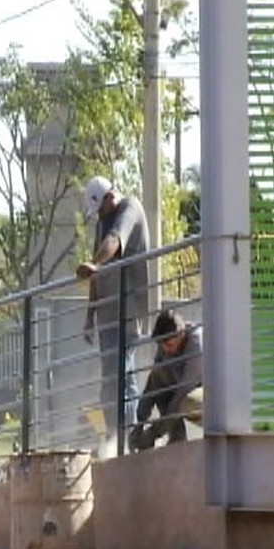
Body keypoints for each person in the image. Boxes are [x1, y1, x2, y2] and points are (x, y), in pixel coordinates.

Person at [77, 175, 150, 455]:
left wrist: (94, 264)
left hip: (127, 311)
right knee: (110, 381)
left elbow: (114, 242)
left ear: (109, 197)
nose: (101, 216)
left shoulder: (129, 208)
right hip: (108, 314)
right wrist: (89, 315)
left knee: (122, 377)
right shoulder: (102, 222)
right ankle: (112, 439)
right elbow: (96, 276)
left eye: (101, 209)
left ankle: (125, 442)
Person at [129, 308, 203, 452]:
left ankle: (180, 444)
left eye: (169, 345)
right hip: (183, 389)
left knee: (186, 402)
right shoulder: (166, 342)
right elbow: (154, 380)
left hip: (206, 395)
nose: (165, 350)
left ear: (181, 335)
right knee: (158, 377)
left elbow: (181, 395)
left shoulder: (196, 344)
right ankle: (177, 440)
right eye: (162, 346)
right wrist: (139, 423)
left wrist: (152, 433)